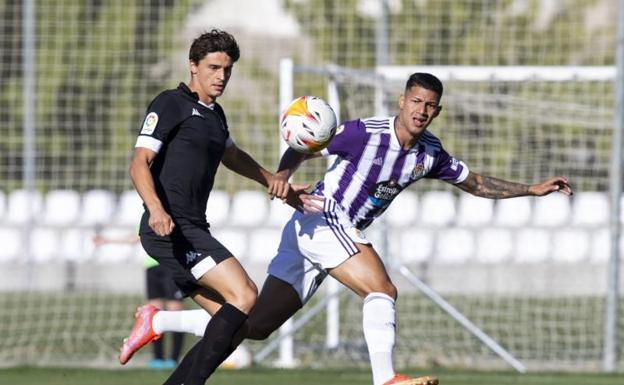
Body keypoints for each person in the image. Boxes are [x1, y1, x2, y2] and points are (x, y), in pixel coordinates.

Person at [121, 72, 573, 385]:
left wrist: (532, 191)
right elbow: (307, 144)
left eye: (430, 106)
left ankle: (157, 320)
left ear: (437, 111)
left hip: (318, 234)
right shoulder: (363, 132)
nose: (421, 110)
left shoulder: (430, 153)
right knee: (382, 289)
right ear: (402, 101)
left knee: (252, 326)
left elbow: (474, 183)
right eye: (415, 101)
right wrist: (280, 175)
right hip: (324, 217)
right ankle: (386, 377)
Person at [119, 29, 306, 385]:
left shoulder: (216, 116)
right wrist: (156, 210)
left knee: (234, 327)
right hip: (173, 228)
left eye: (227, 69)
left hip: (192, 228)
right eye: (214, 67)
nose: (221, 76)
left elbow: (232, 156)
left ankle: (161, 339)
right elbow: (138, 163)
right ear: (193, 66)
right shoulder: (170, 103)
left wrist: (274, 182)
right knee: (246, 294)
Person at [93, 233, 185, 369]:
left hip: (171, 265)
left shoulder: (175, 214)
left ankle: (173, 358)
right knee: (153, 314)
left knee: (175, 312)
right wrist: (107, 241)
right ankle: (158, 358)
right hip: (152, 268)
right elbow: (135, 238)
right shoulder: (149, 215)